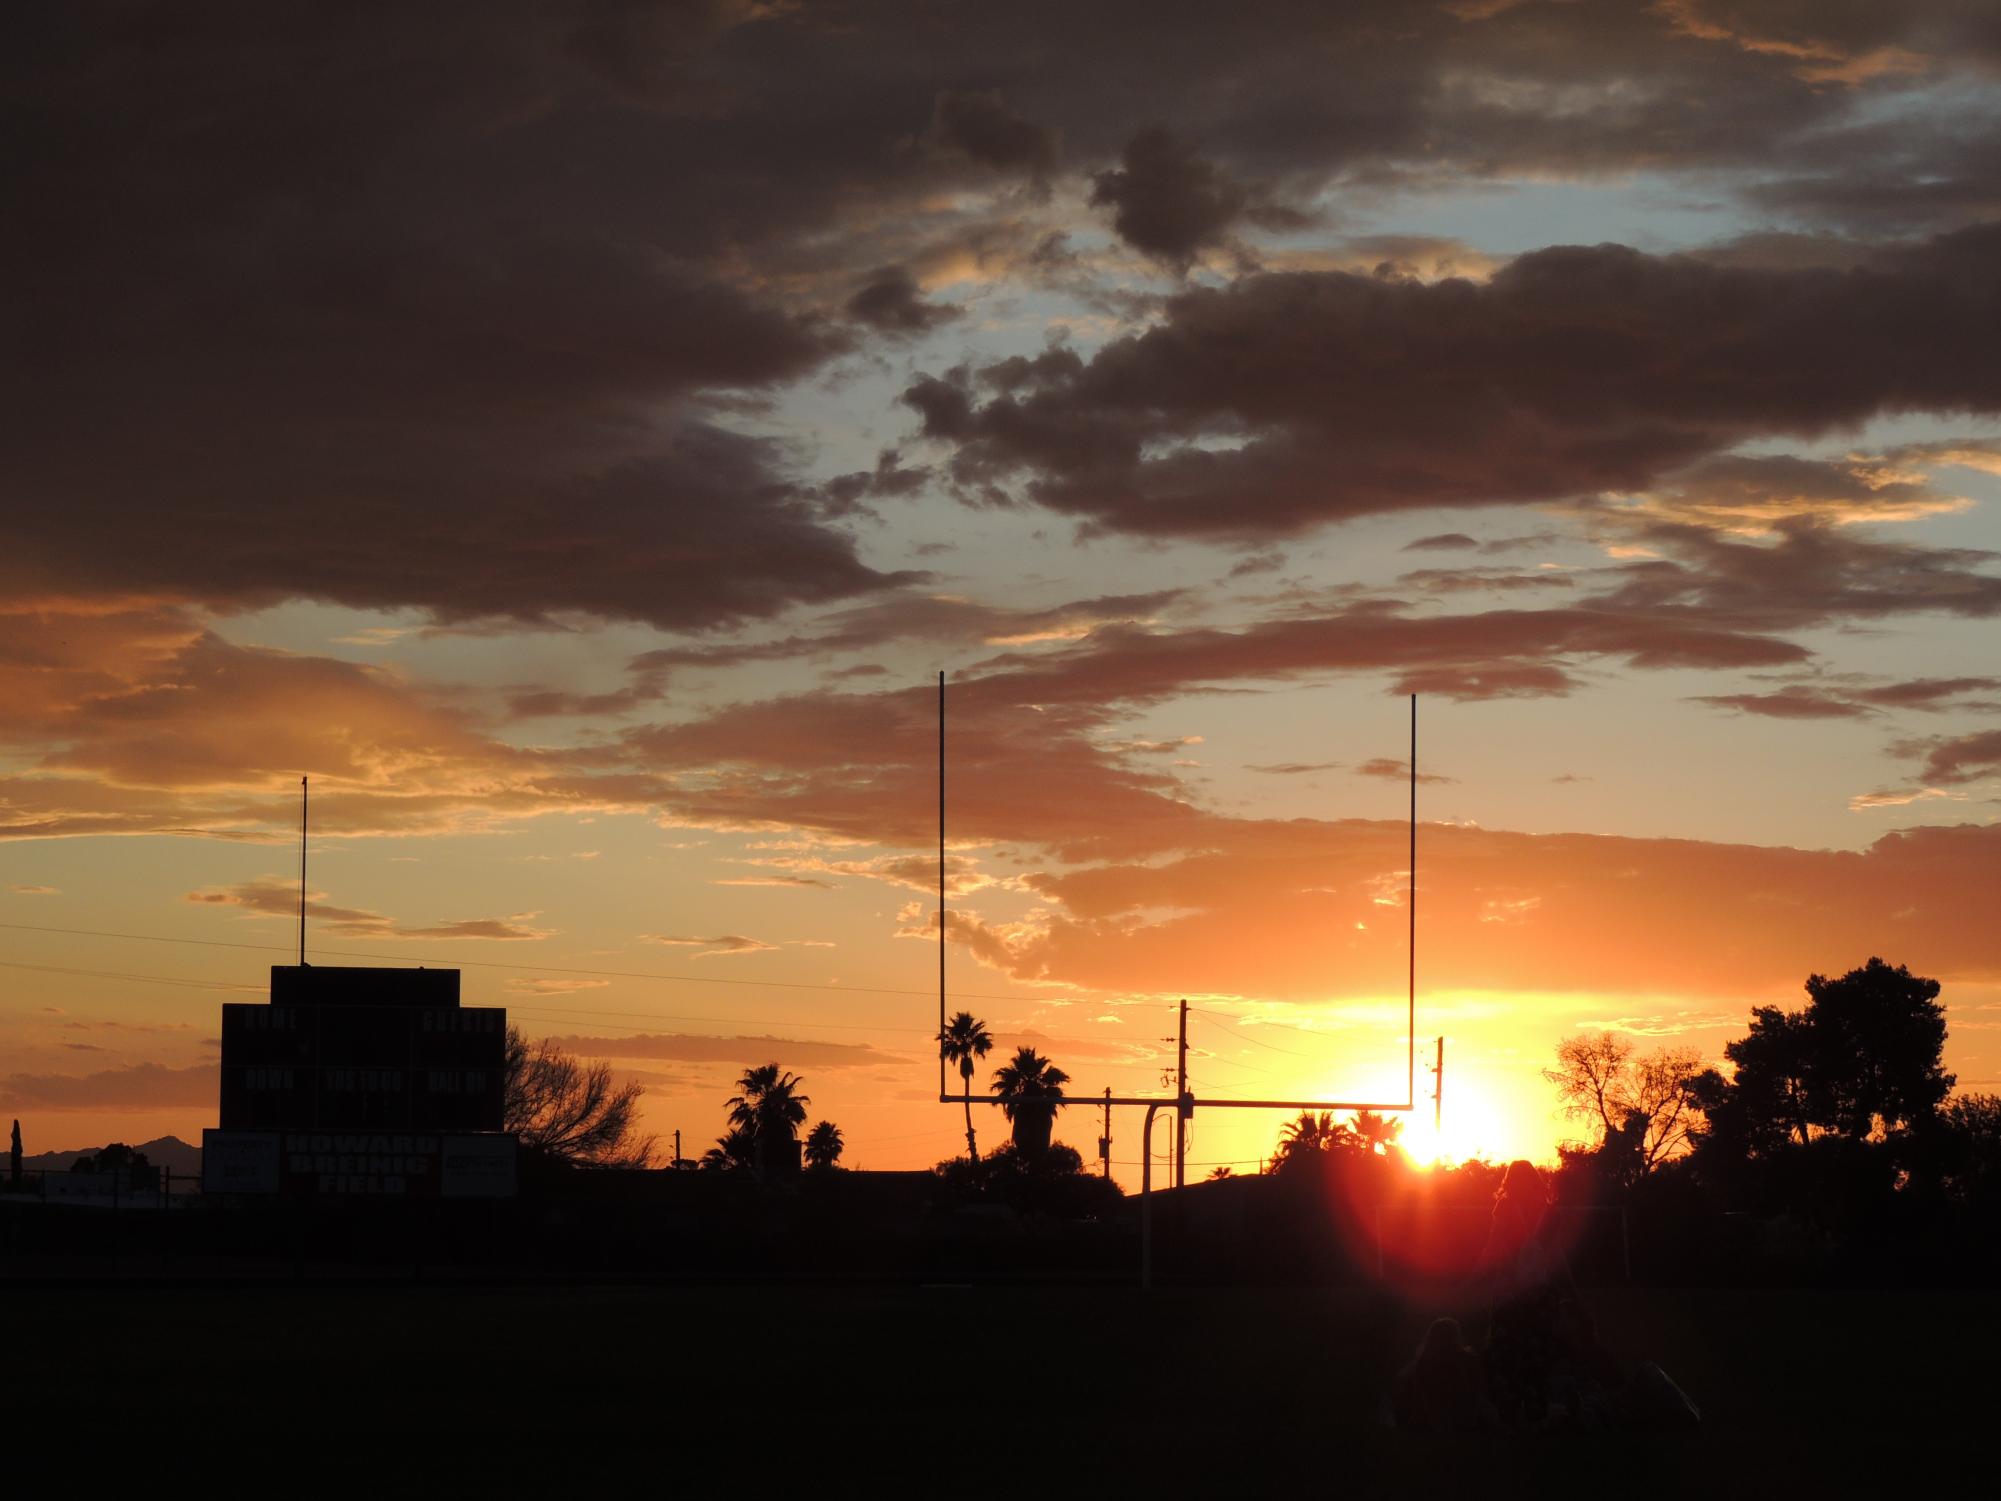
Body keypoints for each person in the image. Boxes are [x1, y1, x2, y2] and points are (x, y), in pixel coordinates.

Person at [1477, 1159, 1573, 1427]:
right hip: (1542, 1292)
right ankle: (1541, 1407)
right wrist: (1570, 1290)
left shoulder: (1505, 1208)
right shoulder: (1550, 1211)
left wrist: (1477, 1276)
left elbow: (1495, 1247)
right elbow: (1558, 1255)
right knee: (1541, 1346)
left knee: (1507, 1348)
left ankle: (1508, 1407)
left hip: (1510, 1290)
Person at [1391, 1317, 1498, 1432]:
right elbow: (1478, 1389)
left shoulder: (1425, 1362)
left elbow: (1419, 1395)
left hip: (1438, 1416)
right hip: (1462, 1415)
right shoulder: (1466, 1359)